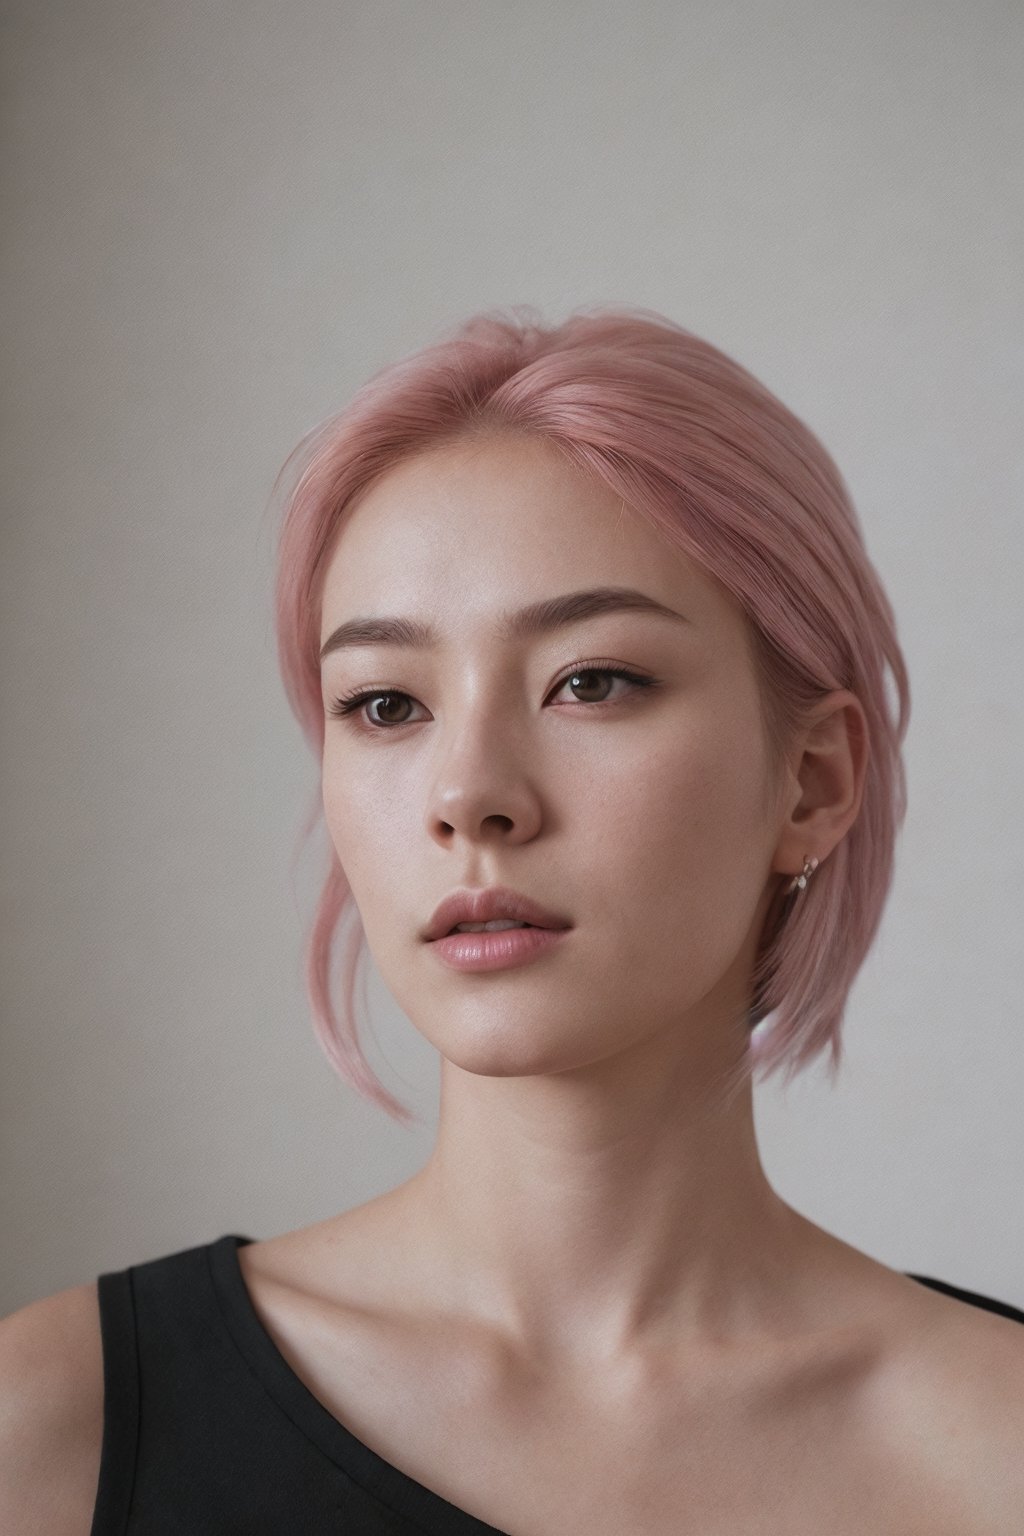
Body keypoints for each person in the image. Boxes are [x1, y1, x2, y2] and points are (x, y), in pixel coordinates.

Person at [2, 306, 1022, 1534]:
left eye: (591, 681)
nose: (469, 795)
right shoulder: (54, 1432)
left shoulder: (993, 1450)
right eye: (384, 705)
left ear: (811, 783)